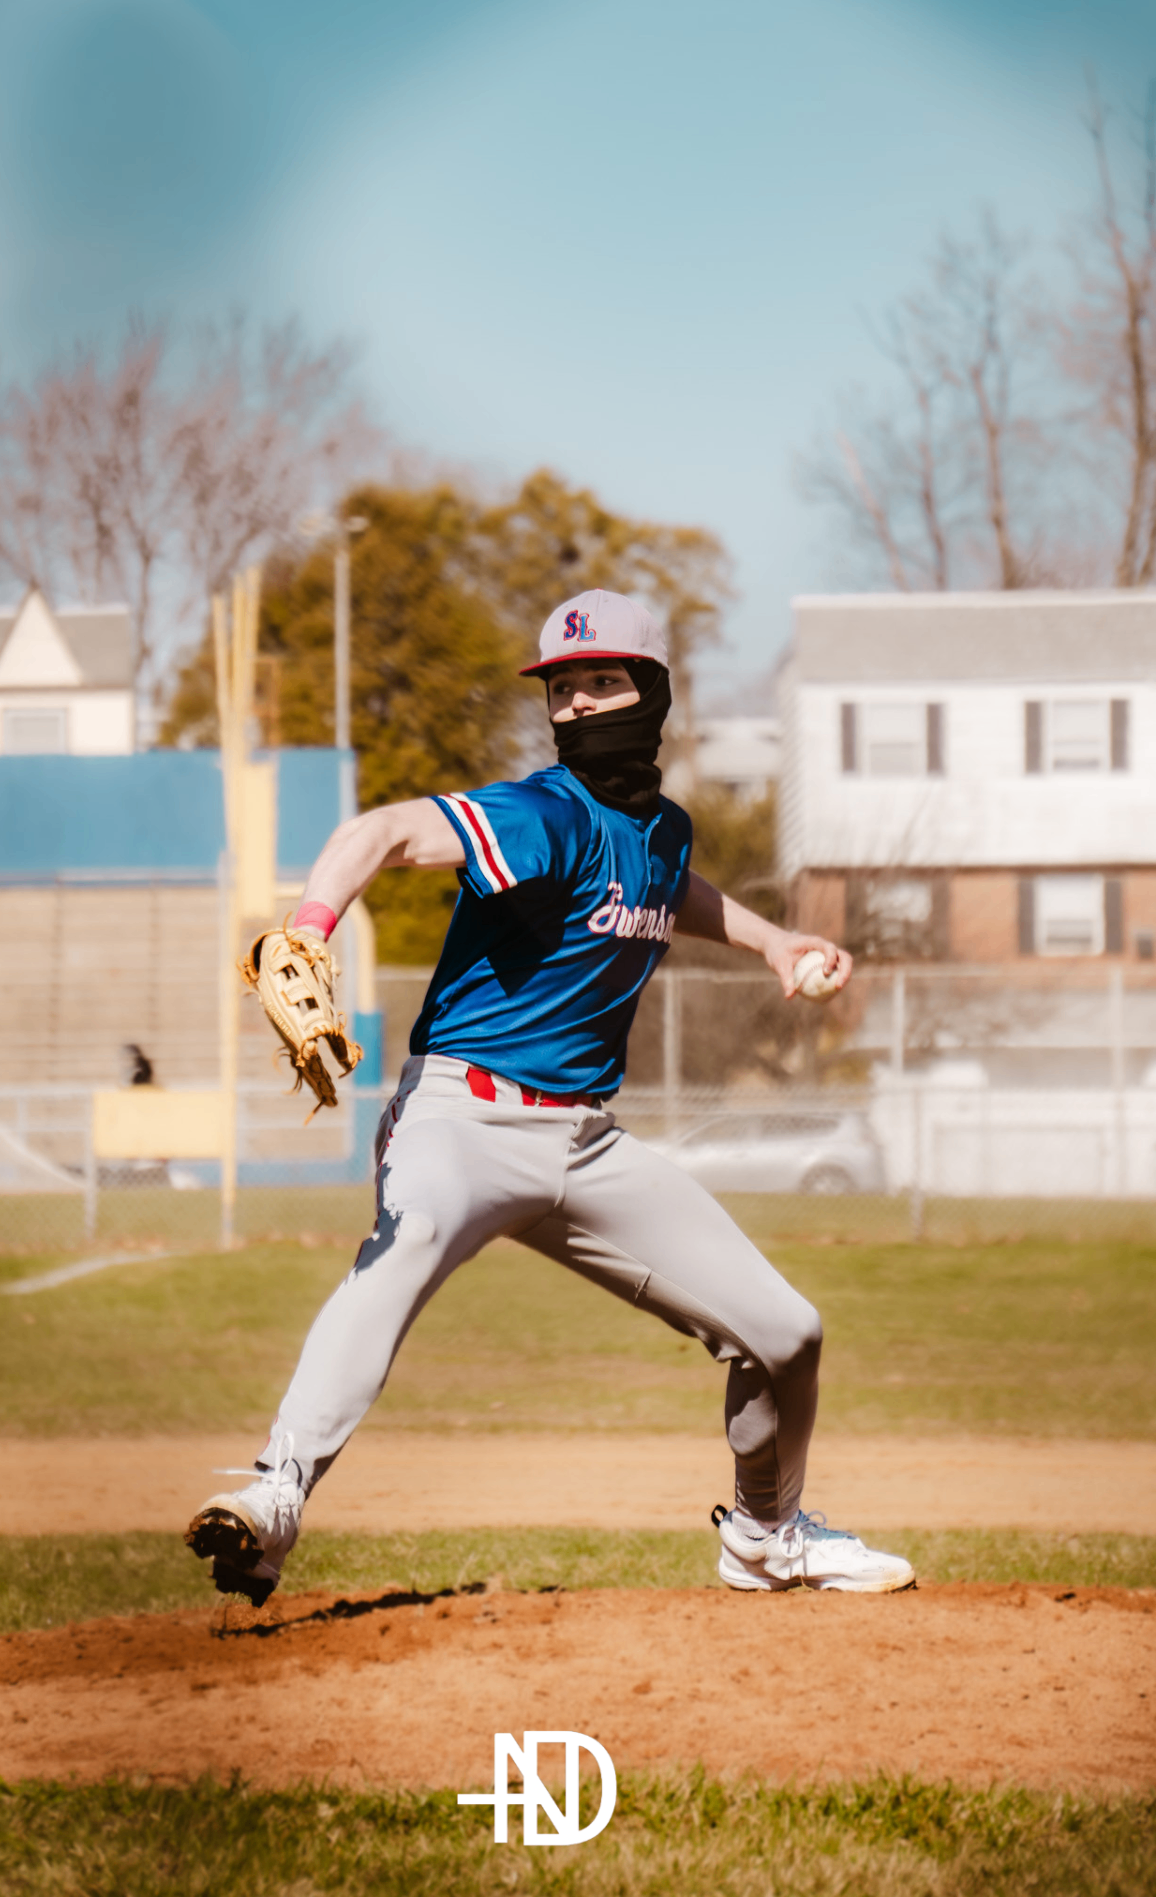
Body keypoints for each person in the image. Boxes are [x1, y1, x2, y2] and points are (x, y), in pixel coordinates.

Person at [186, 590, 913, 1603]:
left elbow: (671, 886)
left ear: (650, 694)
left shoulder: (660, 831)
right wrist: (310, 922)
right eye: (562, 688)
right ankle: (275, 1497)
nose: (576, 704)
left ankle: (766, 1535)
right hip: (457, 1121)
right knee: (397, 1261)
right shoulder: (539, 815)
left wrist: (774, 942)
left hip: (582, 1141)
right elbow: (386, 832)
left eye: (601, 681)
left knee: (786, 1333)